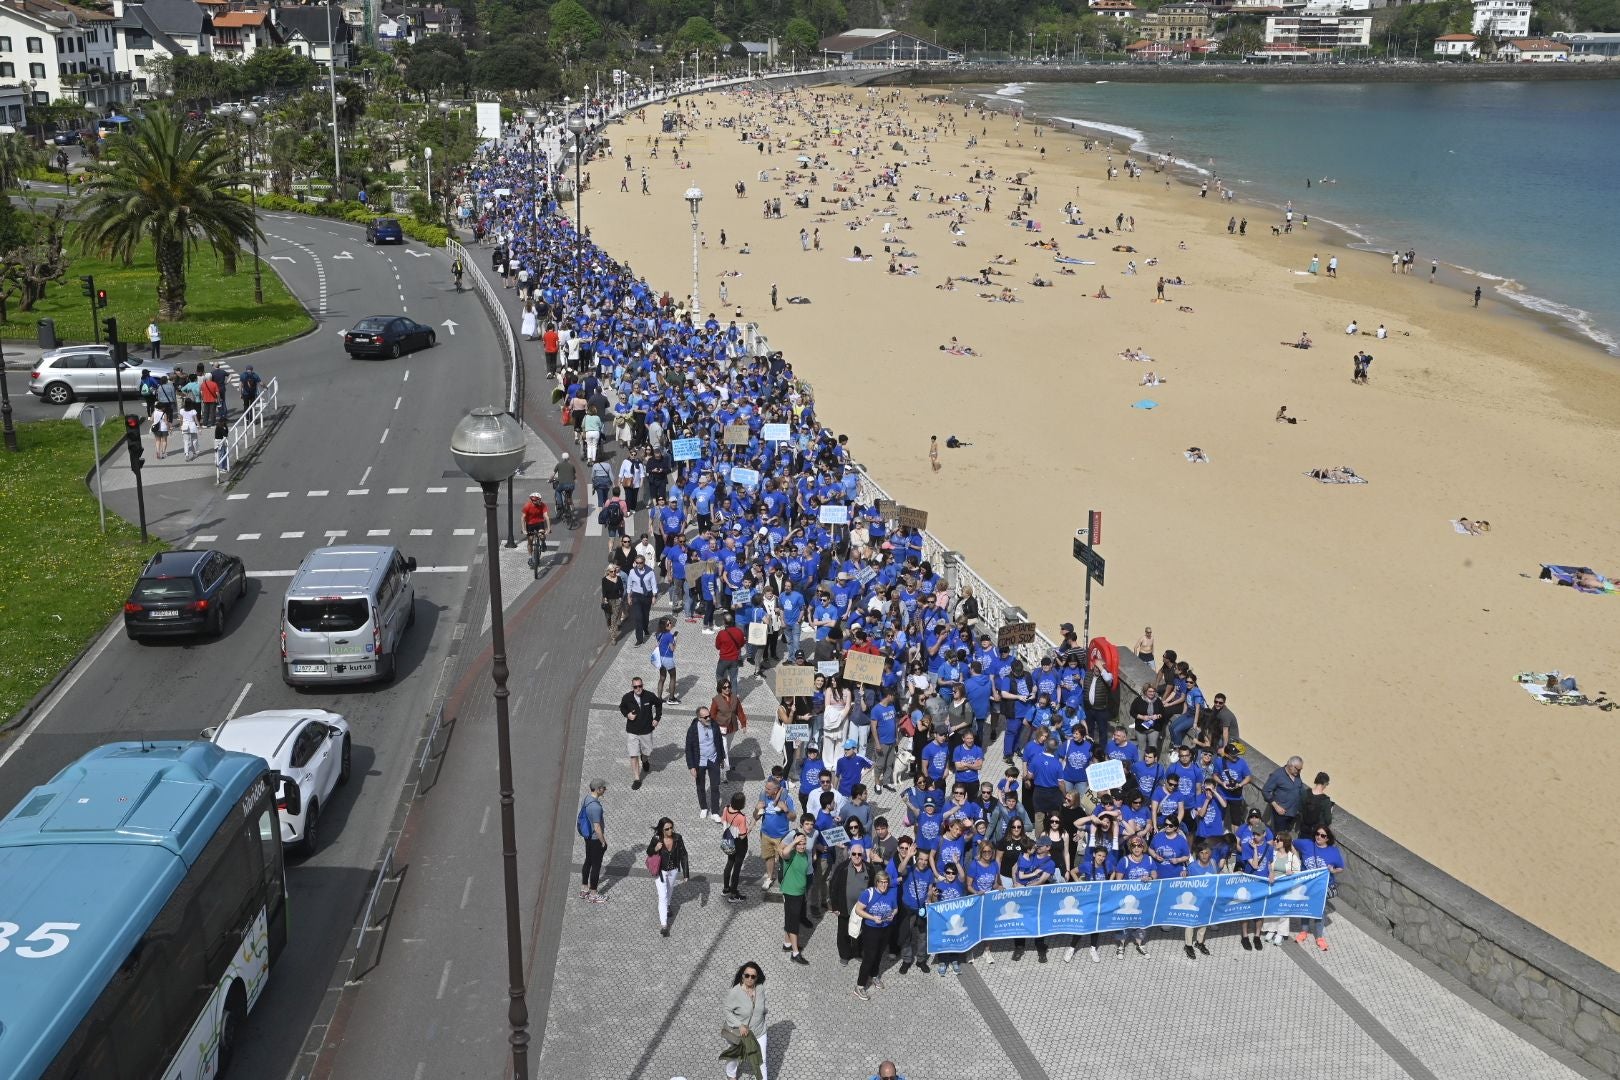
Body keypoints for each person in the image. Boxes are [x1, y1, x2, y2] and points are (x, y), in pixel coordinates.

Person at [851, 866, 898, 1000]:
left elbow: (895, 908)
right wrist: (872, 918)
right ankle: (859, 986)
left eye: (886, 882)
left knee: (879, 954)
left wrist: (892, 915)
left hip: (886, 928)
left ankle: (874, 975)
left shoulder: (891, 893)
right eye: (881, 882)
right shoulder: (868, 893)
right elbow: (858, 910)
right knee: (869, 957)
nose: (884, 885)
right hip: (871, 929)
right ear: (876, 882)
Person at [1295, 825, 1345, 950]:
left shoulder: (1333, 852)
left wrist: (1333, 871)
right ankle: (1304, 931)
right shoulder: (1307, 844)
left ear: (1328, 838)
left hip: (1322, 886)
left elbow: (1341, 868)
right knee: (1305, 908)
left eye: (1323, 835)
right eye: (1317, 834)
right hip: (1306, 885)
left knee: (1320, 912)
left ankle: (1319, 937)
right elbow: (1291, 843)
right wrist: (1296, 861)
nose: (1319, 837)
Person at [721, 962, 769, 1080]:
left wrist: (761, 1012)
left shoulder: (760, 989)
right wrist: (739, 1025)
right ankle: (731, 1074)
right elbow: (727, 1010)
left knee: (761, 1061)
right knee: (734, 1057)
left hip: (759, 1032)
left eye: (753, 976)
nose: (749, 978)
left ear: (757, 977)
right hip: (740, 1033)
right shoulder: (735, 992)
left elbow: (761, 1007)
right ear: (742, 976)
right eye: (747, 975)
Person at [645, 817, 690, 936]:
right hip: (661, 872)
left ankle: (668, 906)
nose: (670, 830)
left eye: (671, 828)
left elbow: (684, 855)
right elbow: (649, 852)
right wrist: (655, 848)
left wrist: (686, 874)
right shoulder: (656, 839)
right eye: (667, 829)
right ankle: (664, 925)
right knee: (662, 896)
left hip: (673, 870)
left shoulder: (678, 838)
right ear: (662, 830)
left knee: (669, 891)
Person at [830, 844, 874, 964]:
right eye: (854, 854)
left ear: (863, 855)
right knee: (843, 932)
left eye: (859, 854)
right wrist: (834, 906)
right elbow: (833, 887)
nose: (856, 856)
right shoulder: (842, 868)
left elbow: (873, 889)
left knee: (859, 932)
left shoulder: (869, 869)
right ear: (850, 854)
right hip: (845, 907)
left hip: (862, 909)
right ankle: (844, 955)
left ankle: (857, 952)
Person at [685, 704, 728, 821]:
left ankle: (715, 812)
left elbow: (719, 742)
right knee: (700, 786)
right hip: (700, 762)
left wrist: (722, 758)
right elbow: (688, 749)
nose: (708, 718)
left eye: (709, 715)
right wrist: (691, 766)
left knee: (715, 786)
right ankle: (704, 807)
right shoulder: (693, 729)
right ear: (699, 718)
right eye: (705, 717)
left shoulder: (714, 725)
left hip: (713, 760)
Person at [620, 677, 661, 791]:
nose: (638, 688)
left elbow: (658, 704)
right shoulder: (627, 697)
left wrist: (657, 718)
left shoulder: (649, 696)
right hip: (632, 731)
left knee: (647, 751)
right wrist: (627, 715)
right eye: (635, 687)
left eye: (640, 686)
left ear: (643, 685)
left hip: (646, 730)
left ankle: (645, 760)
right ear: (632, 687)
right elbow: (622, 707)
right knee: (633, 755)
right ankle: (637, 779)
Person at [1261, 832, 1302, 946]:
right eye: (1275, 839)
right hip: (1273, 886)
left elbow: (1298, 872)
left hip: (1285, 888)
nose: (1275, 841)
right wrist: (1270, 873)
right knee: (1272, 907)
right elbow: (1267, 867)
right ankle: (1271, 929)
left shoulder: (1291, 856)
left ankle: (1281, 932)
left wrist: (1291, 873)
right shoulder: (1272, 853)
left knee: (1283, 909)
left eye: (1278, 840)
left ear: (1285, 843)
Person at [779, 832, 812, 964]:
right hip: (791, 893)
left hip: (799, 893)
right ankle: (795, 953)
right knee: (793, 923)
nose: (802, 846)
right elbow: (783, 852)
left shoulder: (804, 855)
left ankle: (787, 944)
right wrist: (794, 842)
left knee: (791, 918)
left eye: (804, 843)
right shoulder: (791, 855)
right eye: (799, 844)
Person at [577, 778, 608, 903]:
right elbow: (597, 827)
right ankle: (593, 893)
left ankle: (584, 889)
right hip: (595, 839)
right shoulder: (596, 807)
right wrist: (603, 841)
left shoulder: (586, 799)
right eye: (603, 788)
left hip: (587, 836)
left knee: (588, 861)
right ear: (598, 789)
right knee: (596, 866)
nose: (605, 789)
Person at [721, 791, 751, 903]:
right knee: (737, 868)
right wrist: (751, 827)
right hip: (739, 844)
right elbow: (743, 836)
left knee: (729, 863)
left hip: (729, 840)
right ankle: (733, 894)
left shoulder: (726, 809)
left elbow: (723, 821)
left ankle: (725, 888)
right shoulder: (741, 817)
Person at [1263, 756, 1307, 833]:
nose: (1299, 772)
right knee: (1279, 836)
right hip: (1281, 813)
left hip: (1293, 813)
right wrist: (1276, 806)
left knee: (1285, 836)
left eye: (1301, 770)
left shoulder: (1296, 775)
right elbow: (1265, 791)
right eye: (1298, 769)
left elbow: (1300, 789)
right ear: (1290, 766)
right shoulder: (1277, 775)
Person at [600, 564, 624, 635]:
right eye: (611, 571)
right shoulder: (604, 580)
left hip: (617, 600)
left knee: (614, 618)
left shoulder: (618, 578)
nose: (613, 573)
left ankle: (613, 636)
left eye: (614, 571)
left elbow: (622, 589)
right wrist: (605, 599)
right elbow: (604, 591)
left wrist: (620, 597)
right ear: (608, 572)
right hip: (608, 600)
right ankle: (610, 626)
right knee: (608, 617)